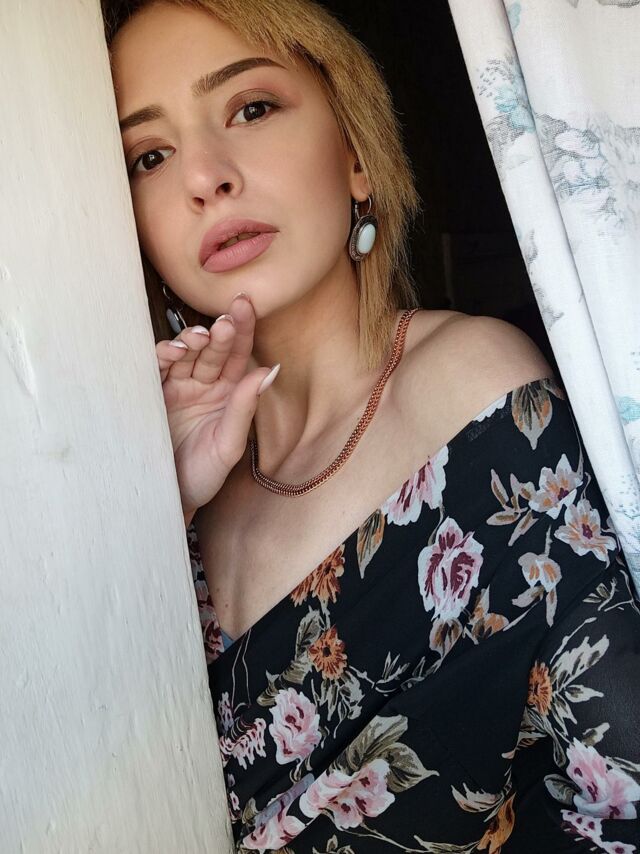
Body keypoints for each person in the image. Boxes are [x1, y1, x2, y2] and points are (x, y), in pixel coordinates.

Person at [103, 0, 640, 850]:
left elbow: (614, 790)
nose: (203, 176)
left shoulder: (471, 388)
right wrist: (157, 504)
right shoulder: (161, 483)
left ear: (356, 154)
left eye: (251, 107)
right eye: (150, 156)